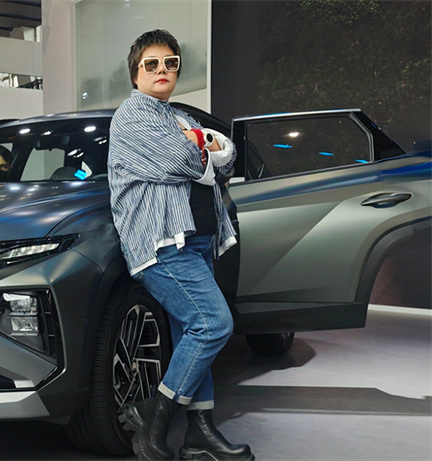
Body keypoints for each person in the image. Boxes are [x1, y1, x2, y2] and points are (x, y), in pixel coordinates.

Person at [109, 30, 250, 461]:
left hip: (198, 241)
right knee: (213, 325)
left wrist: (203, 147)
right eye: (151, 63)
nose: (162, 70)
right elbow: (180, 160)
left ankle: (199, 432)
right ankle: (153, 415)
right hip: (163, 244)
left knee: (190, 332)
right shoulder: (133, 114)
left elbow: (225, 165)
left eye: (170, 63)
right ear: (136, 73)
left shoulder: (179, 118)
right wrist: (205, 147)